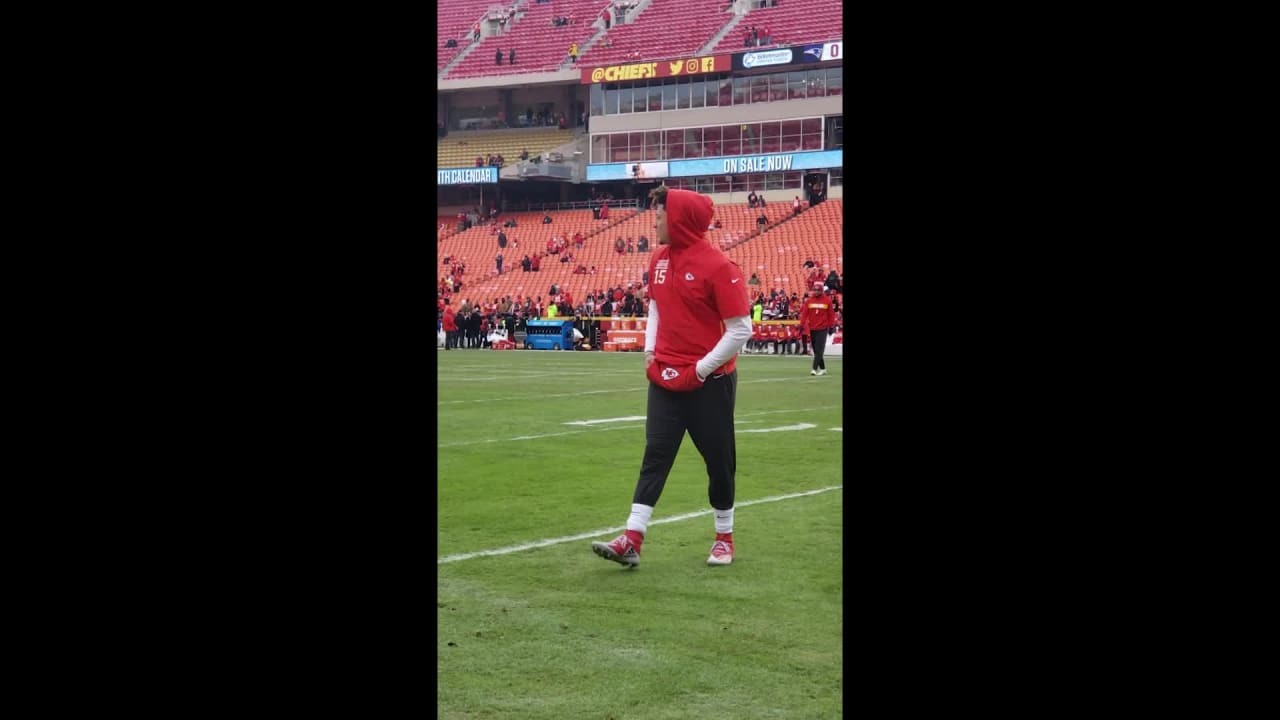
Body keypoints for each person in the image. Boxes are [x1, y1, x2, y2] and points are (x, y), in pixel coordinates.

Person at [590, 185, 751, 569]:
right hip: (664, 374)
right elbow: (657, 308)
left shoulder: (719, 267)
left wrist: (701, 368)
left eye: (660, 213)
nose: (656, 220)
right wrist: (650, 352)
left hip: (709, 382)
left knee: (718, 460)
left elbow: (740, 328)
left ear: (678, 219)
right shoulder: (659, 259)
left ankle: (724, 537)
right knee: (655, 455)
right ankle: (632, 537)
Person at [799, 282, 837, 376]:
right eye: (814, 290)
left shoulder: (827, 300)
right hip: (813, 328)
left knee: (819, 350)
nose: (816, 292)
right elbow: (804, 314)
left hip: (823, 328)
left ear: (821, 291)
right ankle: (823, 369)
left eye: (817, 290)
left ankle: (814, 369)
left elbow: (831, 315)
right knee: (816, 350)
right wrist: (801, 324)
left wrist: (831, 326)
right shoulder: (809, 300)